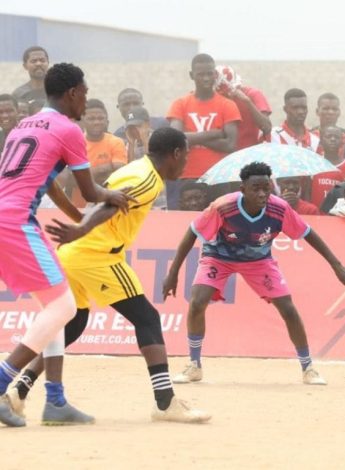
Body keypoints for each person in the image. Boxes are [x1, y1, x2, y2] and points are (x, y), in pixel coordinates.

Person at [13, 127, 210, 424]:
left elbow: (103, 201)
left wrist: (80, 230)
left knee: (75, 322)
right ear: (176, 154)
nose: (186, 164)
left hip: (77, 254)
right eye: (186, 156)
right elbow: (107, 205)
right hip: (97, 255)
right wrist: (81, 229)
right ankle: (165, 402)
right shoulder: (146, 179)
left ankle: (18, 392)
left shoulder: (139, 170)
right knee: (147, 318)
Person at [0, 63, 133, 427]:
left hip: (7, 218)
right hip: (15, 223)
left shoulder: (24, 126)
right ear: (72, 93)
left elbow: (50, 182)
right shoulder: (68, 129)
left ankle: (55, 401)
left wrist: (76, 217)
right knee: (61, 308)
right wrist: (114, 196)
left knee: (59, 307)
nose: (86, 102)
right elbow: (90, 190)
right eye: (85, 94)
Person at [164, 162, 345, 384]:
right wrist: (173, 274)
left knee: (287, 308)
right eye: (255, 188)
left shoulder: (280, 208)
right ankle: (194, 365)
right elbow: (191, 233)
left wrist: (337, 266)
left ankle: (308, 368)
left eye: (266, 188)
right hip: (219, 257)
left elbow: (308, 234)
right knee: (198, 301)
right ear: (243, 189)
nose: (262, 193)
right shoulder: (223, 207)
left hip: (258, 261)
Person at [167, 53, 241, 210]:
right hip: (187, 178)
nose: (206, 78)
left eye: (210, 73)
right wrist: (215, 133)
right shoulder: (180, 104)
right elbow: (175, 140)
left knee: (220, 228)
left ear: (215, 74)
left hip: (218, 178)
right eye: (201, 74)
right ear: (191, 75)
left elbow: (230, 144)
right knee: (184, 229)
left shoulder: (227, 105)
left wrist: (191, 138)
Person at [214, 65, 273, 150]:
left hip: (252, 152)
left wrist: (247, 102)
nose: (229, 95)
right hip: (227, 153)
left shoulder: (253, 94)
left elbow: (266, 127)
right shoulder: (218, 101)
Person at [83, 99, 127, 183]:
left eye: (100, 118)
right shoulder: (75, 144)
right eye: (91, 119)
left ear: (106, 121)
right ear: (83, 121)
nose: (96, 122)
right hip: (80, 195)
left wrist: (90, 172)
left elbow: (120, 172)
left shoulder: (116, 142)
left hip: (111, 193)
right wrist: (107, 167)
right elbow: (75, 178)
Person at [311, 125, 345, 208]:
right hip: (316, 216)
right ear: (321, 141)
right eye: (329, 136)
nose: (332, 139)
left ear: (341, 142)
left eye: (336, 137)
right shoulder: (314, 163)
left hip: (338, 216)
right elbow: (307, 192)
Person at [269, 88, 318, 152]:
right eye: (295, 108)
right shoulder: (273, 136)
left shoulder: (315, 139)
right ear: (285, 109)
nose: (300, 112)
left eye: (304, 108)